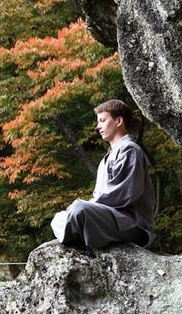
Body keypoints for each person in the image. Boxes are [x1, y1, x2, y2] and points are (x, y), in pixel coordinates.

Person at [51, 99, 155, 249]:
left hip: (133, 225)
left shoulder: (130, 150)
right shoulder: (109, 156)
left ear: (119, 121)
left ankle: (77, 232)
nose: (98, 126)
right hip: (111, 219)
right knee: (58, 217)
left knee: (79, 209)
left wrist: (87, 206)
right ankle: (79, 233)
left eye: (102, 120)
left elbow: (123, 194)